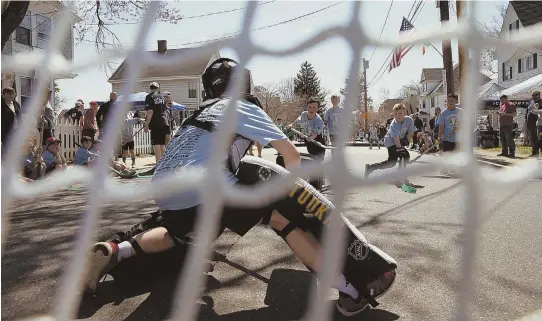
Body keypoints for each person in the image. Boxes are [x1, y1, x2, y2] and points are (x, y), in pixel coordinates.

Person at [83, 58, 397, 316]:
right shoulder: (243, 107)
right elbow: (289, 157)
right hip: (209, 185)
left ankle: (116, 250)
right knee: (281, 219)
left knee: (178, 233)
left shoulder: (196, 116)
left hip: (165, 190)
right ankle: (350, 289)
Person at [364, 103, 415, 183]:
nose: (398, 116)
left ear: (405, 113)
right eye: (396, 114)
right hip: (390, 142)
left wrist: (407, 139)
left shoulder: (409, 120)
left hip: (398, 141)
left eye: (400, 113)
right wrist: (400, 149)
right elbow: (396, 139)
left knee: (393, 162)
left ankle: (371, 167)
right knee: (403, 156)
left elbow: (411, 131)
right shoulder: (393, 125)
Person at [144, 82, 168, 163]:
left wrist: (146, 124)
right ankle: (164, 164)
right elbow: (164, 110)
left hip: (155, 123)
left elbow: (150, 111)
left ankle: (158, 164)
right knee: (162, 144)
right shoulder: (162, 98)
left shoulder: (149, 96)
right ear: (157, 88)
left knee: (156, 145)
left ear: (150, 88)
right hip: (163, 122)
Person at [1, 87, 21, 154]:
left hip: (16, 130)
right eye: (9, 93)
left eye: (12, 93)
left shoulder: (16, 104)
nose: (11, 95)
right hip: (4, 131)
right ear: (4, 94)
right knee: (6, 149)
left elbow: (20, 116)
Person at [526, 90, 541, 157]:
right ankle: (534, 152)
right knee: (532, 138)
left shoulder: (541, 102)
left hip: (538, 123)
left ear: (538, 95)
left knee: (539, 138)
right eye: (532, 95)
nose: (533, 96)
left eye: (534, 95)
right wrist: (526, 119)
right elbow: (527, 111)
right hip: (530, 123)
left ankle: (539, 151)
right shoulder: (530, 102)